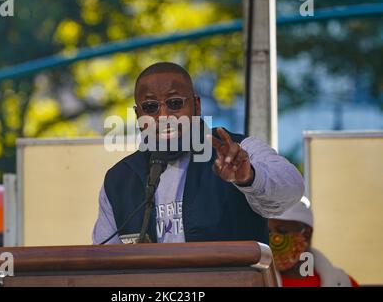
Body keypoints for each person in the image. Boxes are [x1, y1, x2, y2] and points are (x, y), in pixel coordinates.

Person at [92, 61, 304, 245]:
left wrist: (249, 178)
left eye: (175, 103)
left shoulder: (237, 151)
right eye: (150, 107)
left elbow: (293, 189)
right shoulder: (119, 179)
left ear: (197, 105)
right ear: (138, 115)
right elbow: (104, 262)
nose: (164, 116)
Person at [269, 197, 359, 287]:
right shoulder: (259, 281)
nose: (273, 240)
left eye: (282, 231)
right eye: (268, 232)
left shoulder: (342, 282)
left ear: (307, 234)